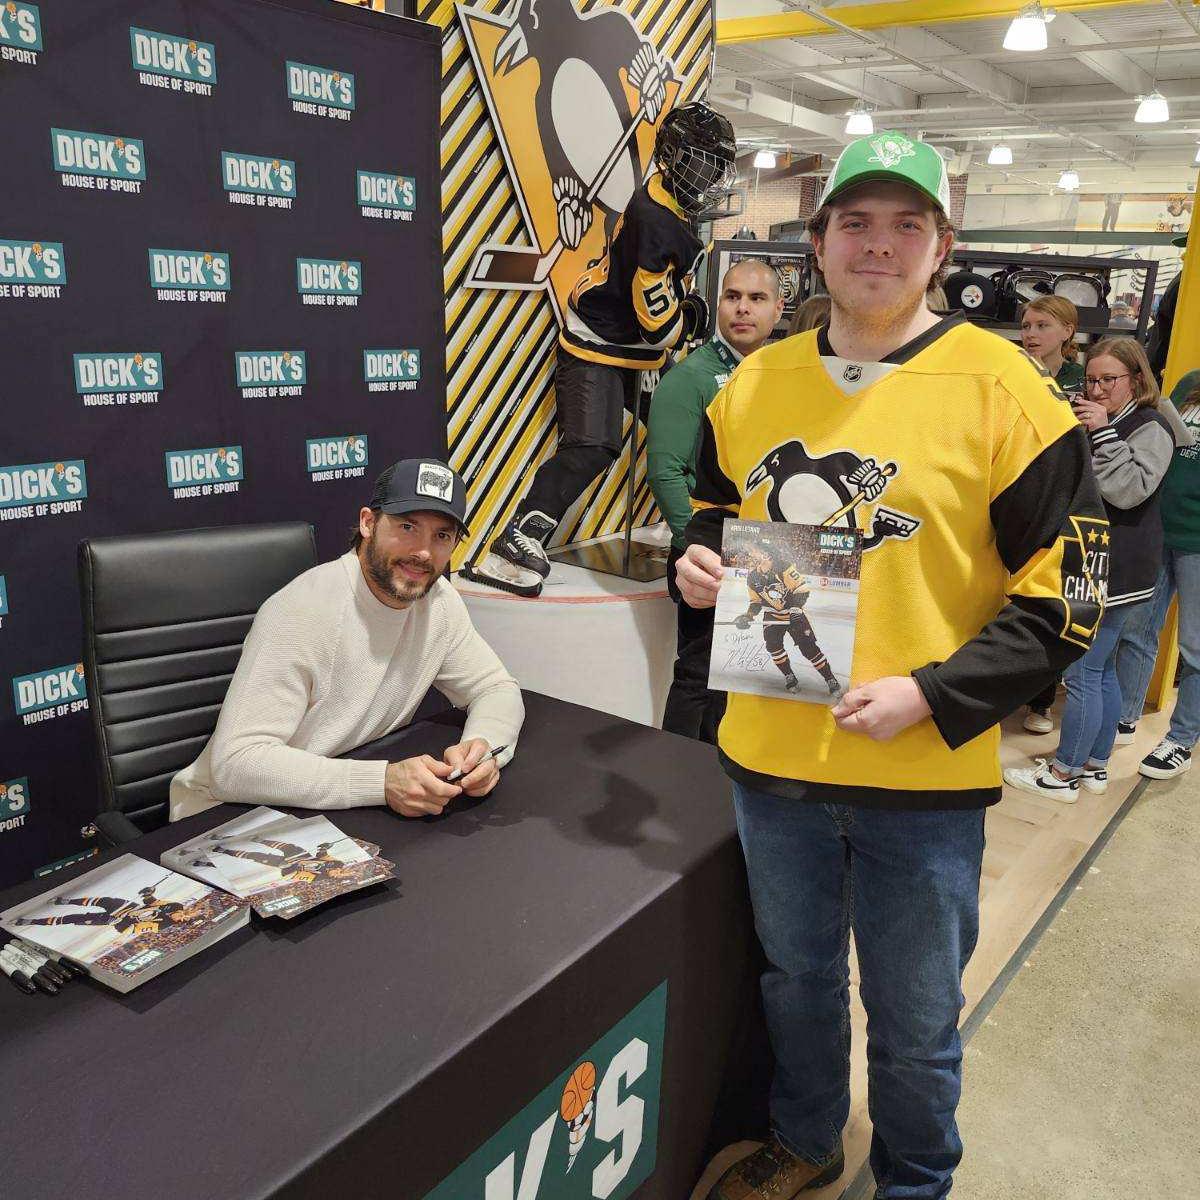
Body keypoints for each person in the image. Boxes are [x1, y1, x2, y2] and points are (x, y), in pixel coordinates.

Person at [677, 130, 1105, 1200]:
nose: (879, 245)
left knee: (916, 1024)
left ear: (942, 246)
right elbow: (716, 520)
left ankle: (915, 1181)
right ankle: (810, 1140)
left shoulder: (1007, 391)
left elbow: (1077, 595)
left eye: (905, 225)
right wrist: (700, 568)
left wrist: (933, 692)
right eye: (855, 224)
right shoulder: (751, 386)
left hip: (922, 783)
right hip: (772, 763)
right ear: (816, 246)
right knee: (798, 984)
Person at [463, 101, 737, 598]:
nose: (711, 176)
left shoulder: (673, 205)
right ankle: (518, 538)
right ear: (674, 158)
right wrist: (692, 316)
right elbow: (658, 325)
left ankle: (707, 534)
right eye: (701, 161)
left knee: (696, 434)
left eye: (717, 164)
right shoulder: (657, 220)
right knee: (593, 445)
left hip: (636, 350)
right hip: (598, 341)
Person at [169, 459, 525, 821]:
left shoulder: (439, 603)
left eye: (442, 536)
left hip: (329, 805)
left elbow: (496, 688)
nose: (423, 552)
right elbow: (236, 764)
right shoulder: (300, 611)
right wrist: (383, 782)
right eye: (407, 526)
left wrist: (482, 750)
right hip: (223, 815)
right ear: (368, 523)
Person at [1004, 338, 1181, 801]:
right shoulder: (1113, 419)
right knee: (1099, 671)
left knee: (1082, 673)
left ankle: (1062, 774)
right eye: (1092, 379)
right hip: (1102, 561)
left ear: (1136, 381)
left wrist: (1100, 433)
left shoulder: (1151, 425)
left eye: (1109, 380)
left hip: (1116, 569)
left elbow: (1128, 491)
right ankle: (1095, 766)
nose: (1098, 389)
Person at [649, 258, 783, 741]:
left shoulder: (781, 375)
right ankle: (678, 777)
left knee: (743, 679)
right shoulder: (691, 378)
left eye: (756, 298)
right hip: (709, 552)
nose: (742, 309)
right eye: (732, 296)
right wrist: (697, 548)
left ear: (777, 309)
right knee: (700, 672)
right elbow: (664, 473)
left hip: (763, 551)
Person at [1112, 366, 1200, 778]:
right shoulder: (1190, 381)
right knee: (1137, 628)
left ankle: (1181, 738)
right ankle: (1125, 715)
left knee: (1195, 648)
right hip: (1161, 525)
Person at [1017, 294, 1086, 733]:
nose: (1031, 334)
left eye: (1042, 325)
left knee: (1049, 595)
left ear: (1067, 331)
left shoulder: (1087, 379)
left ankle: (1041, 701)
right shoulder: (1014, 370)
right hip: (1018, 492)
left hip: (1065, 498)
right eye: (1026, 325)